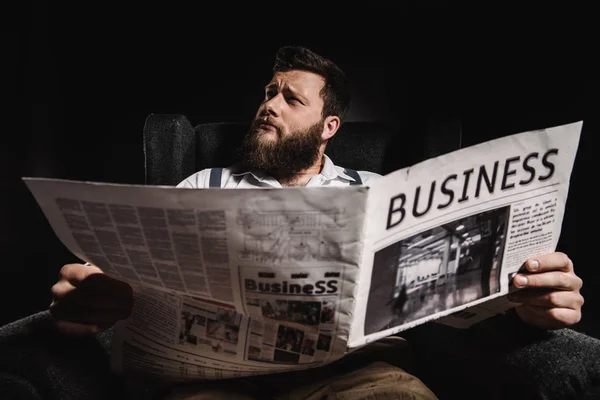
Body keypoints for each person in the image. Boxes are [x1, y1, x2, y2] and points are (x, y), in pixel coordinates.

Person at [1, 46, 597, 400]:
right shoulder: (201, 186)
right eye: (268, 92)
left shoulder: (377, 193)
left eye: (291, 98)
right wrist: (88, 296)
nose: (269, 104)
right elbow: (119, 281)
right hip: (213, 385)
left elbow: (448, 292)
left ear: (329, 126)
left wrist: (526, 299)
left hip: (363, 375)